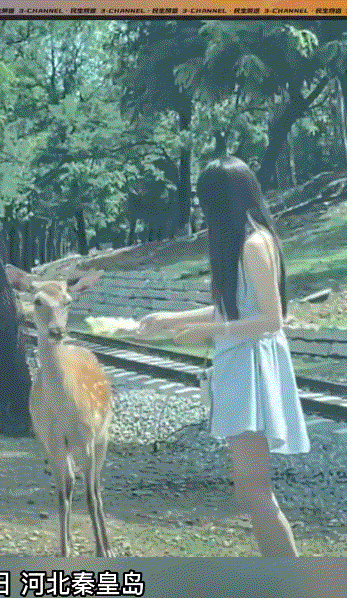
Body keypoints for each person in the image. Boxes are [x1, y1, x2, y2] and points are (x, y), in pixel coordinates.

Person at [135, 156, 310, 557]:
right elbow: (234, 308)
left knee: (254, 490)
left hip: (253, 370)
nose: (203, 213)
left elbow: (273, 319)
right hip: (242, 367)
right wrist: (168, 320)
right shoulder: (248, 240)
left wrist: (209, 332)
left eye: (206, 204)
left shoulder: (254, 245)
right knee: (249, 493)